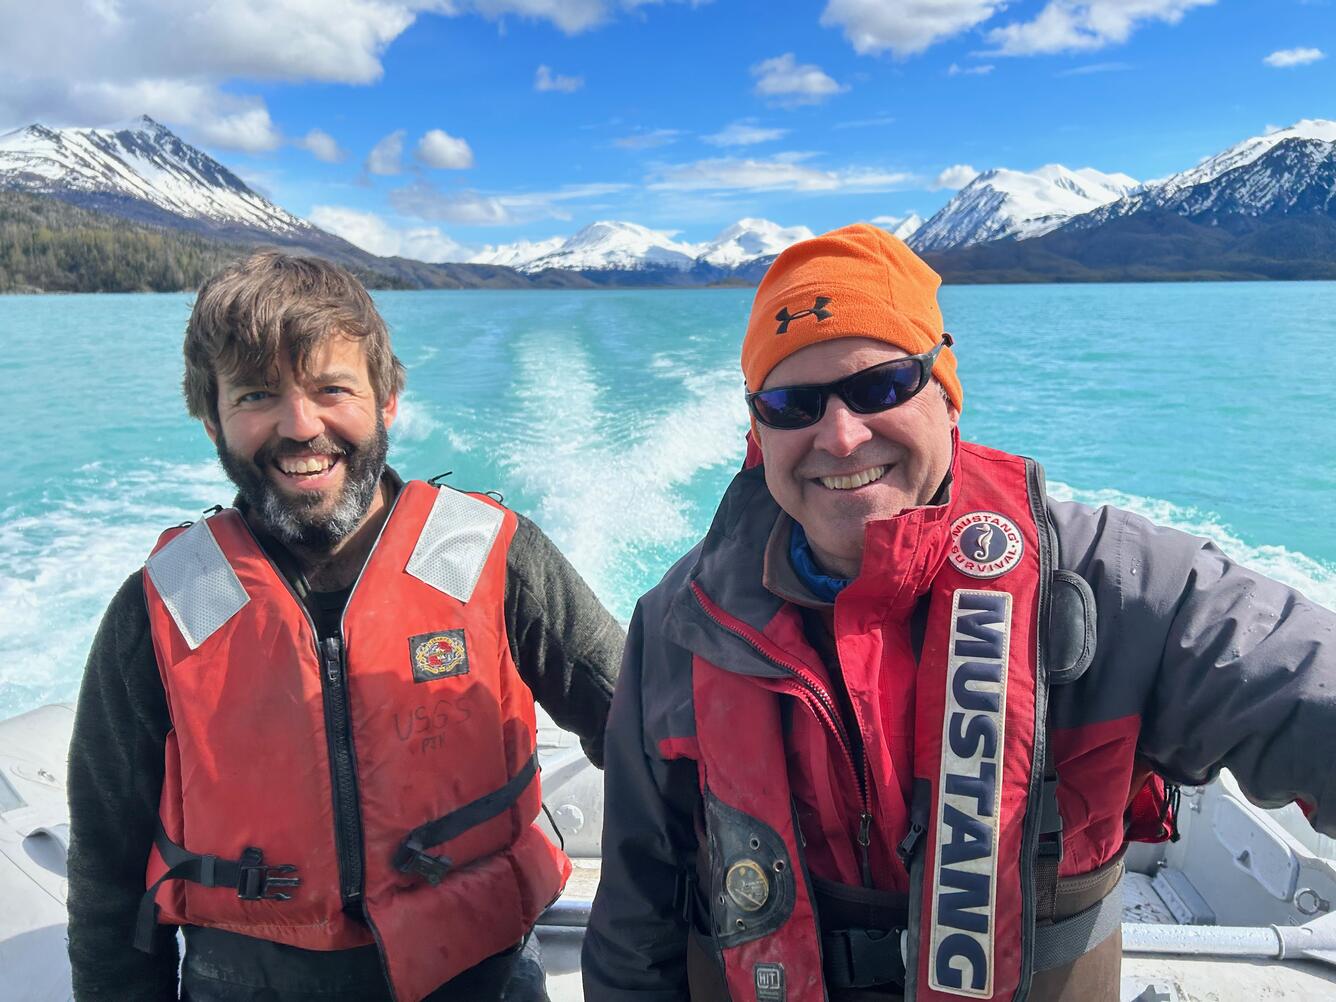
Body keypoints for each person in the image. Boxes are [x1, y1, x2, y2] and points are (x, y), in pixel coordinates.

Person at [582, 223, 1336, 1002]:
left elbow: (1302, 685)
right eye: (791, 403)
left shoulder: (1116, 585)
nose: (840, 436)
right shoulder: (682, 625)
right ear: (757, 429)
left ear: (945, 393)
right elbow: (635, 923)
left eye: (881, 387)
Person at [66, 251, 623, 1002]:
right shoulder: (168, 604)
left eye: (332, 389)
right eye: (258, 394)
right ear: (212, 421)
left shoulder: (492, 556)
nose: (301, 427)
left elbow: (641, 735)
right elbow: (107, 864)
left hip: (476, 975)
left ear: (388, 399)